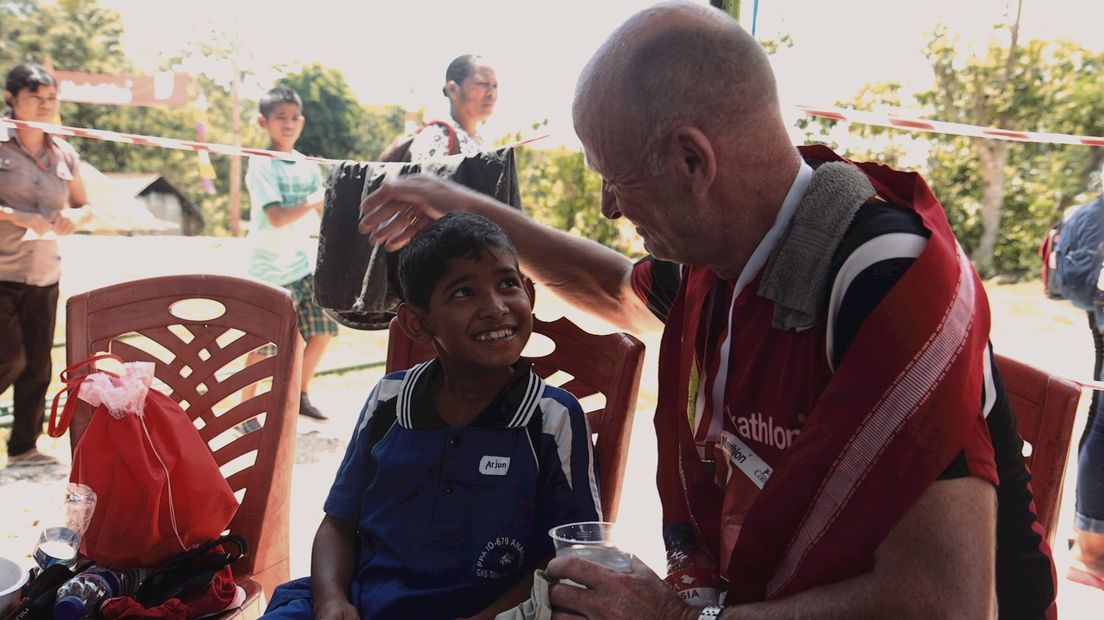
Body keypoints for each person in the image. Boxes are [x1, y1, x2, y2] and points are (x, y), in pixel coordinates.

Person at [357, 2, 1057, 618]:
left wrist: (675, 619)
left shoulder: (875, 279)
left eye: (614, 179)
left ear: (693, 162)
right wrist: (464, 205)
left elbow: (948, 604)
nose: (608, 205)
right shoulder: (725, 267)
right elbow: (610, 288)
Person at [262, 212, 602, 620]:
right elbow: (338, 524)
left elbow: (570, 557)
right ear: (418, 323)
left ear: (529, 292)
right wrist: (333, 600)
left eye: (507, 283)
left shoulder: (552, 417)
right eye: (463, 293)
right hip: (364, 601)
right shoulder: (389, 400)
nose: (495, 308)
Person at [0, 62, 88, 466]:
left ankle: (23, 448)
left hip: (44, 271)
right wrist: (16, 215)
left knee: (37, 364)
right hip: (2, 270)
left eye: (51, 98)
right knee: (9, 357)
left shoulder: (63, 150)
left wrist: (75, 218)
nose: (44, 105)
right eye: (34, 97)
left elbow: (85, 206)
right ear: (10, 99)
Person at [243, 85, 337, 420]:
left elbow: (323, 214)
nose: (288, 123)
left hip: (300, 265)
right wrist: (315, 199)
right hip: (266, 270)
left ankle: (300, 394)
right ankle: (245, 412)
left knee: (324, 329)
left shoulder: (306, 164)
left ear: (303, 121)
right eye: (280, 117)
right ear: (262, 122)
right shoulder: (260, 164)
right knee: (262, 345)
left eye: (294, 117)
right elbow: (277, 216)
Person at [1068, 165, 1104, 589]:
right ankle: (1092, 549)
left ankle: (1089, 539)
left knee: (1099, 414)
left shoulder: (1092, 209)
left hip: (1098, 310)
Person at [407, 54, 498, 161]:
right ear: (453, 89)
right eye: (482, 84)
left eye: (495, 86)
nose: (491, 93)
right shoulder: (438, 138)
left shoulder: (480, 141)